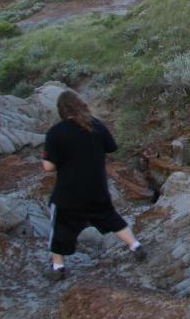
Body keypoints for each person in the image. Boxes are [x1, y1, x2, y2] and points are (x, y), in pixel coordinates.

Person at [41, 90, 146, 282]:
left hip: (69, 191)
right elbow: (112, 147)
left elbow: (48, 167)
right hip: (97, 187)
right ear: (80, 105)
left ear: (61, 110)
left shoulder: (56, 132)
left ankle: (58, 267)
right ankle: (135, 245)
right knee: (110, 217)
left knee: (60, 227)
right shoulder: (95, 125)